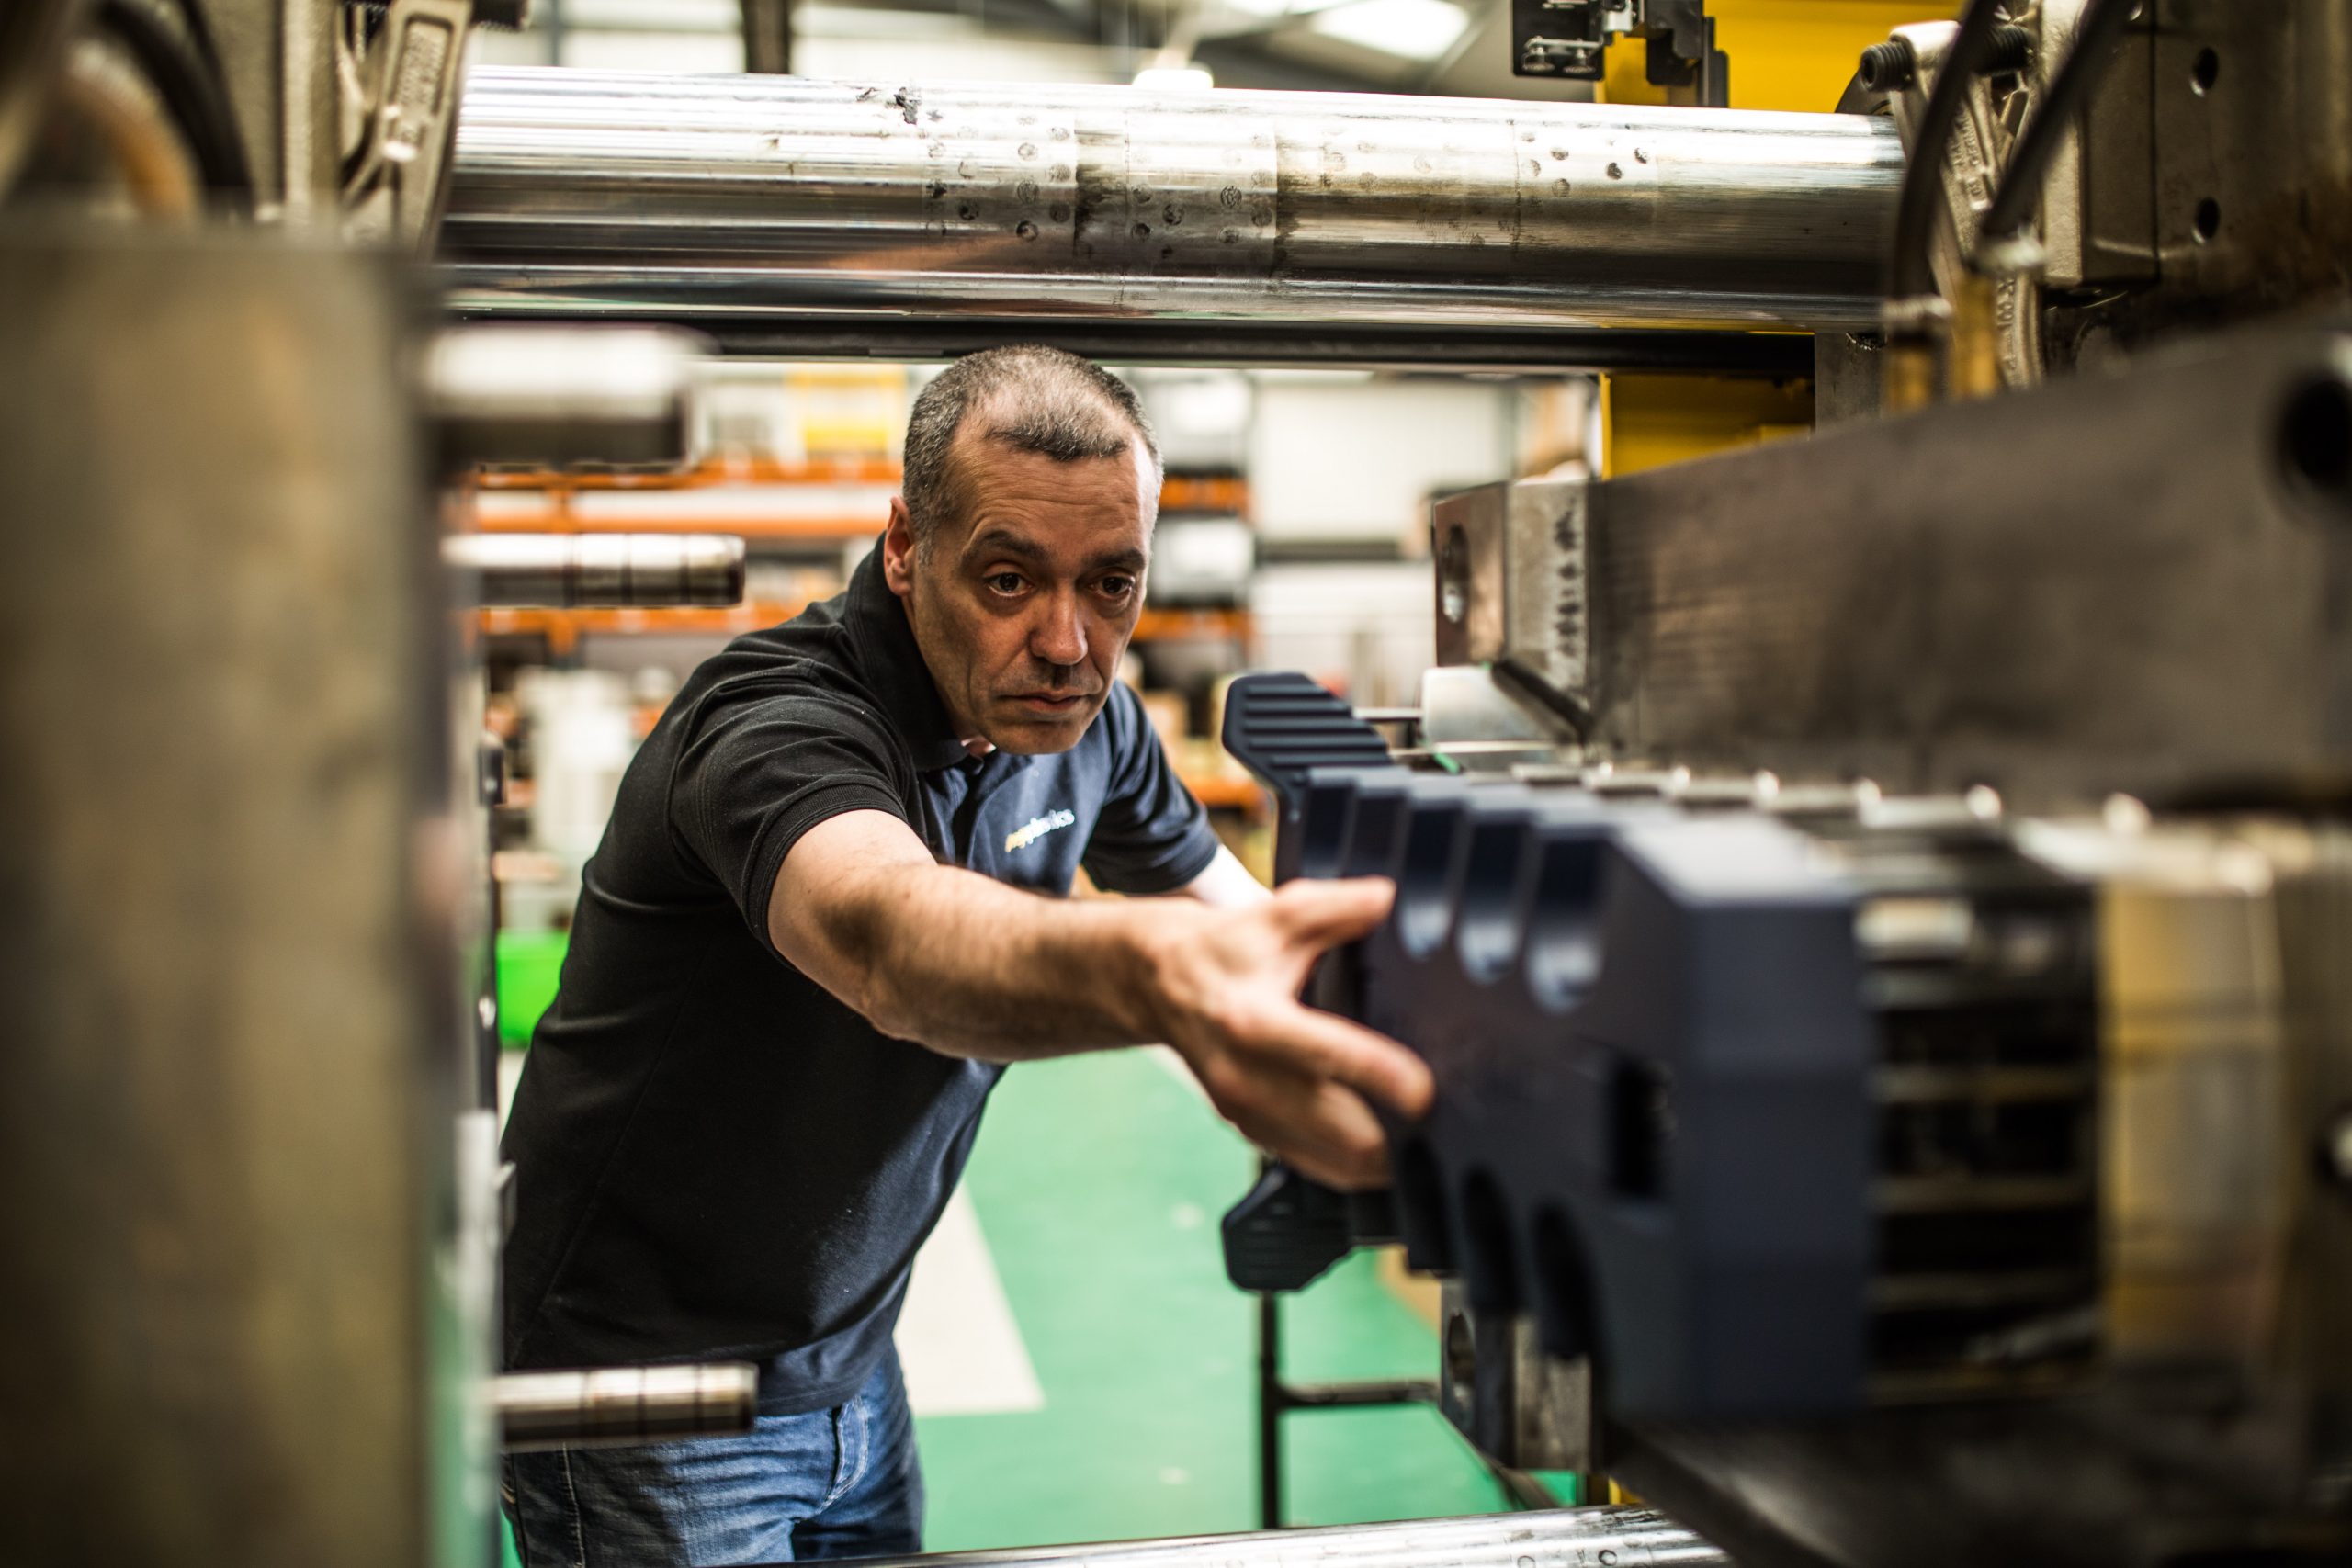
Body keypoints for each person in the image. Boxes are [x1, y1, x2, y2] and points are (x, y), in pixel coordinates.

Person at [499, 344, 1431, 1566]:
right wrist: (1152, 977)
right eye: (1008, 580)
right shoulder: (776, 727)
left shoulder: (1093, 725)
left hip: (854, 1361)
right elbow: (889, 940)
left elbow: (1234, 917)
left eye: (1113, 584)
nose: (1068, 642)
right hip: (646, 1397)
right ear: (903, 547)